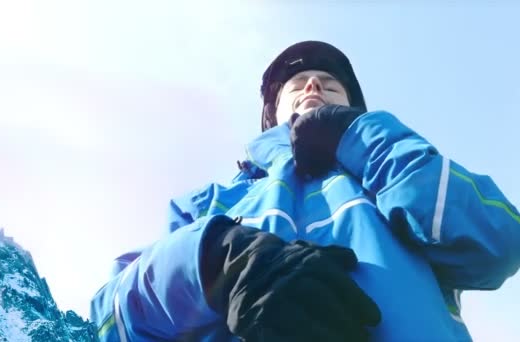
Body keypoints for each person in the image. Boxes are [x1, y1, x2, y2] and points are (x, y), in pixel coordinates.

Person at [90, 41, 520, 341]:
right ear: (271, 114)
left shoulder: (395, 173)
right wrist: (216, 261)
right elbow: (112, 322)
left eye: (330, 83)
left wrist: (364, 136)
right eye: (297, 84)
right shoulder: (207, 205)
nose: (313, 85)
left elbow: (498, 242)